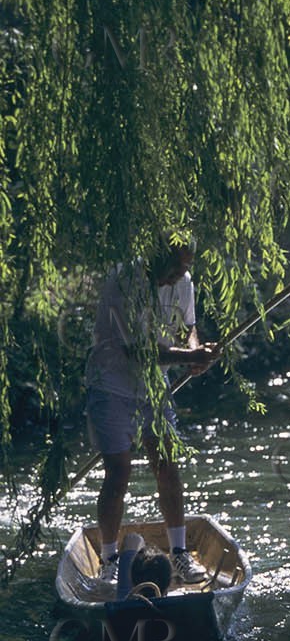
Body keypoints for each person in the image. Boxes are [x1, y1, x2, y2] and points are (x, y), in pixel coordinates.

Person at [85, 243, 219, 589]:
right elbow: (139, 350)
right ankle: (110, 559)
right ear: (156, 255)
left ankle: (179, 551)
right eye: (174, 267)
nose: (178, 276)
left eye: (184, 268)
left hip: (153, 387)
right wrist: (189, 359)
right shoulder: (124, 280)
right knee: (118, 473)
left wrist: (195, 351)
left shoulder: (183, 282)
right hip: (111, 384)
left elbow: (187, 326)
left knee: (168, 466)